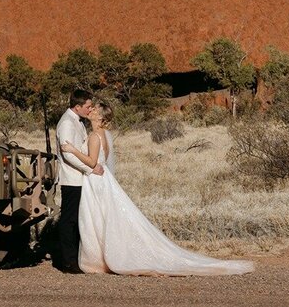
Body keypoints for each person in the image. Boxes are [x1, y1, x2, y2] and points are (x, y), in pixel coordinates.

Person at [60, 101, 254, 276]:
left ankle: (100, 259)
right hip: (103, 180)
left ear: (100, 117)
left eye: (94, 109)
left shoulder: (95, 136)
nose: (90, 110)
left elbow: (93, 162)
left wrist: (74, 150)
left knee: (98, 219)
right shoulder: (103, 135)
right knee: (104, 218)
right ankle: (103, 256)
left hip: (96, 182)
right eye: (90, 108)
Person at [54, 89, 102, 273]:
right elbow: (68, 155)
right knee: (69, 220)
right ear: (77, 106)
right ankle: (68, 262)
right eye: (88, 106)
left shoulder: (78, 121)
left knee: (77, 218)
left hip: (80, 178)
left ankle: (76, 258)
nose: (90, 110)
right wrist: (90, 169)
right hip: (72, 179)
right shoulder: (67, 123)